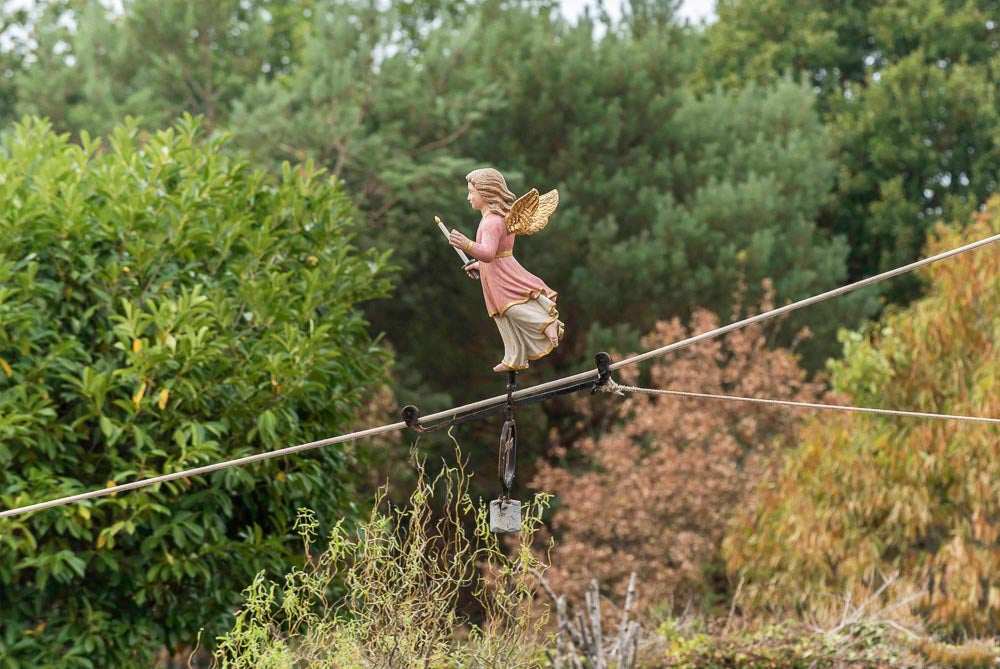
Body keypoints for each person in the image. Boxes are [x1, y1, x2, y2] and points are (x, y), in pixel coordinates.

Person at [448, 168, 564, 372]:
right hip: (494, 271)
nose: (468, 197)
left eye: (471, 192)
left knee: (511, 307)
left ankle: (546, 322)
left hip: (502, 273)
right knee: (503, 316)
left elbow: (489, 253)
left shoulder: (492, 221)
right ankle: (514, 358)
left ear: (486, 192)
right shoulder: (496, 218)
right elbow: (488, 255)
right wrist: (478, 265)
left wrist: (466, 244)